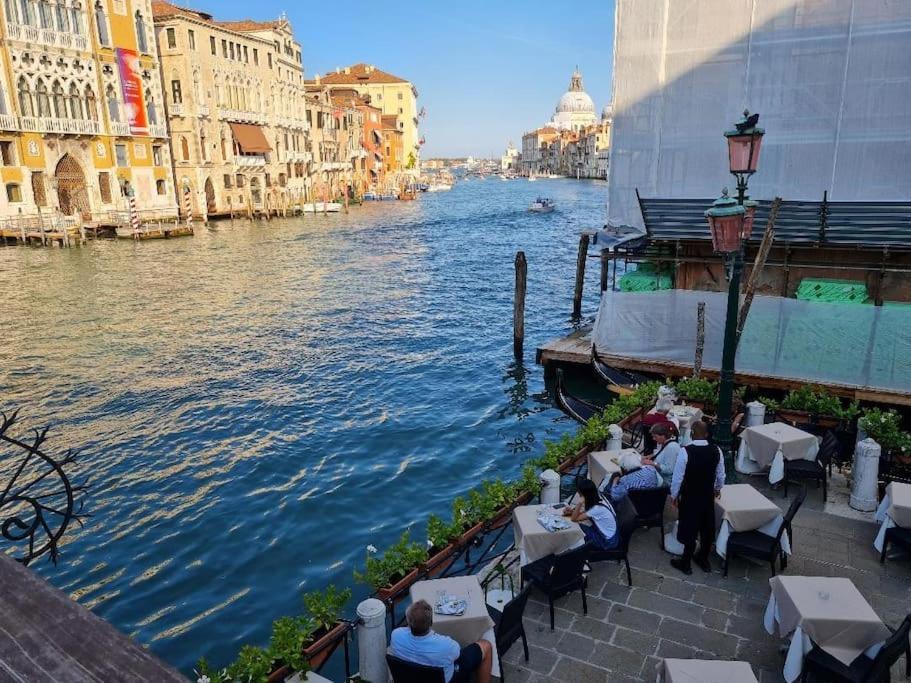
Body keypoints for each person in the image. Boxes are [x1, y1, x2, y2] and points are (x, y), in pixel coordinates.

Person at [669, 420, 726, 575]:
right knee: (707, 527)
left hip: (689, 496)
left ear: (692, 434)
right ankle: (703, 558)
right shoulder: (717, 450)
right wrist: (717, 488)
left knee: (689, 527)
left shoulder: (685, 451)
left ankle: (686, 562)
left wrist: (674, 495)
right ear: (707, 434)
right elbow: (721, 474)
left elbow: (677, 478)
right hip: (707, 495)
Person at [390, 599, 493, 683]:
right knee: (486, 645)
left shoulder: (395, 635)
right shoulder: (446, 646)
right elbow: (457, 654)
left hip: (409, 677)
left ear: (408, 621)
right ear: (431, 622)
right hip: (449, 679)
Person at [563, 477, 619, 550]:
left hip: (607, 542)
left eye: (580, 493)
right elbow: (583, 514)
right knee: (580, 523)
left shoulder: (597, 509)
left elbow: (574, 519)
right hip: (611, 536)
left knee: (575, 527)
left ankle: (571, 549)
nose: (578, 494)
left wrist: (580, 503)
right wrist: (572, 512)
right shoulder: (598, 497)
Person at [643, 423, 680, 487]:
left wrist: (653, 463)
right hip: (658, 477)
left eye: (655, 437)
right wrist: (647, 457)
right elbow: (659, 453)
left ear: (662, 436)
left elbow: (669, 470)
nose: (653, 439)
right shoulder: (663, 443)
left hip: (665, 482)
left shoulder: (672, 447)